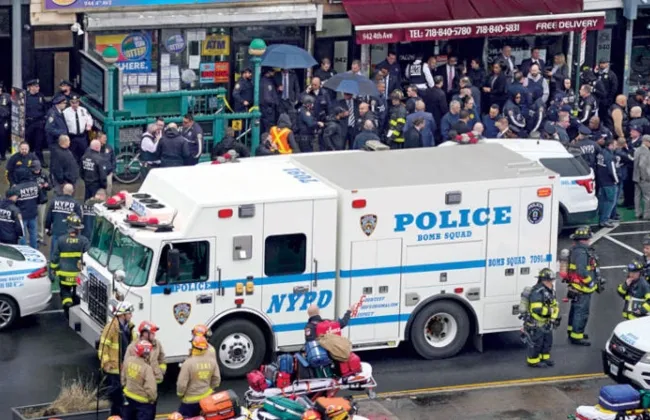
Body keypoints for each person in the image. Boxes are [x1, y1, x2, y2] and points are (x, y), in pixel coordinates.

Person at [99, 300, 136, 416]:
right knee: (116, 398)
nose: (131, 315)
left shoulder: (129, 327)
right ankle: (115, 416)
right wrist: (106, 363)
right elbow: (103, 348)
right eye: (129, 313)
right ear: (122, 315)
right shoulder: (111, 328)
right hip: (114, 369)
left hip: (126, 368)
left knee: (125, 396)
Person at [50, 214, 90, 317]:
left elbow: (55, 257)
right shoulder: (84, 241)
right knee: (77, 293)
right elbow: (88, 258)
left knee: (65, 292)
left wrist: (53, 269)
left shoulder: (61, 240)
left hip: (64, 274)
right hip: (78, 275)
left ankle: (67, 307)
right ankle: (75, 310)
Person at [566, 226, 599, 346]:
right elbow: (581, 271)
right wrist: (590, 282)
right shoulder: (582, 252)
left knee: (575, 310)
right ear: (585, 239)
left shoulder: (576, 249)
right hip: (582, 288)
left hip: (576, 287)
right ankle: (577, 336)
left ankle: (572, 331)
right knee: (581, 312)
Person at [176, 335, 221, 418]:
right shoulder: (212, 361)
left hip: (189, 402)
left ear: (193, 347)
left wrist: (180, 394)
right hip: (206, 400)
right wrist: (210, 389)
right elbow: (216, 379)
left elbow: (181, 384)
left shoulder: (188, 363)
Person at [524, 268, 559, 368]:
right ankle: (533, 361)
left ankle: (544, 358)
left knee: (547, 341)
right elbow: (537, 309)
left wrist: (553, 317)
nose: (552, 282)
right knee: (537, 343)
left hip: (546, 322)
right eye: (551, 280)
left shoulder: (549, 290)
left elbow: (554, 304)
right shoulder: (537, 292)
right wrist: (550, 312)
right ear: (545, 280)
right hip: (537, 323)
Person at [45, 183, 82, 261]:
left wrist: (47, 228)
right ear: (72, 191)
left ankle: (52, 265)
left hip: (57, 230)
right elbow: (79, 219)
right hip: (69, 233)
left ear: (63, 190)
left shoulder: (54, 201)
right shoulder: (76, 204)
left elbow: (49, 216)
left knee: (54, 252)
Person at [121, 340, 157, 419]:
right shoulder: (147, 368)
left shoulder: (128, 360)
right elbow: (151, 389)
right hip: (143, 403)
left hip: (128, 398)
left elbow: (123, 379)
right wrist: (153, 399)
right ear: (147, 354)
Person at [596, 138, 619, 228]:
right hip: (609, 182)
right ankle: (604, 220)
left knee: (603, 201)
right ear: (610, 145)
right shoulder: (609, 156)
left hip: (601, 181)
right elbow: (612, 170)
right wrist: (616, 180)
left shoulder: (601, 153)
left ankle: (601, 219)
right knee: (610, 202)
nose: (616, 146)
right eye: (615, 144)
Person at [63, 95, 93, 163]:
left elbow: (89, 119)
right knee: (72, 155)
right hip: (72, 137)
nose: (74, 104)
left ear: (78, 102)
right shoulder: (65, 112)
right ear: (70, 102)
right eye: (73, 103)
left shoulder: (83, 110)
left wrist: (88, 126)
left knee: (84, 154)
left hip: (82, 136)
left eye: (76, 102)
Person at [14, 168, 39, 249]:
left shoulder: (17, 188)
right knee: (33, 233)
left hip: (22, 215)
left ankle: (24, 251)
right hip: (33, 213)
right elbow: (41, 199)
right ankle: (34, 250)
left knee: (22, 234)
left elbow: (13, 202)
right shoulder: (35, 185)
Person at [24, 79, 47, 164]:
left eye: (38, 86)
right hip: (29, 123)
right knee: (28, 142)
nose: (38, 88)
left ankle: (40, 160)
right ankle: (27, 160)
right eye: (36, 86)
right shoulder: (25, 96)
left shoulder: (41, 96)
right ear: (31, 87)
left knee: (39, 143)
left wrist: (44, 120)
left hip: (39, 123)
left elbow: (45, 109)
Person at [32, 160, 50, 245]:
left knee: (40, 220)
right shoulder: (29, 174)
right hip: (32, 201)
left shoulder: (45, 174)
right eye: (35, 169)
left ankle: (40, 237)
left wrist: (46, 185)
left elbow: (50, 186)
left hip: (42, 200)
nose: (36, 171)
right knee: (32, 220)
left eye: (37, 169)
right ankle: (33, 237)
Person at [634, 135, 650, 220]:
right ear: (646, 141)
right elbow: (642, 165)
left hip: (636, 177)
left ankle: (637, 213)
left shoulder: (637, 150)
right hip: (643, 178)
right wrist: (646, 177)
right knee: (647, 197)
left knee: (637, 196)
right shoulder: (645, 151)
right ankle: (647, 215)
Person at [260, 67, 279, 135]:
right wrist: (274, 102)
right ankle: (267, 139)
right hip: (268, 107)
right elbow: (267, 97)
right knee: (269, 125)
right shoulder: (265, 82)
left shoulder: (268, 80)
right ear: (268, 72)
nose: (274, 73)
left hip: (267, 107)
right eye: (272, 71)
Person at [0, 82, 11, 160]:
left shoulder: (6, 96)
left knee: (3, 137)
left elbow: (13, 106)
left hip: (3, 120)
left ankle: (3, 154)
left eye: (0, 88)